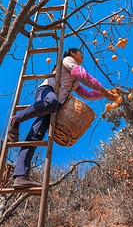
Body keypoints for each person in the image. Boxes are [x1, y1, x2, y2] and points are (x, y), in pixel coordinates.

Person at [7, 48, 117, 189]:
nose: (82, 55)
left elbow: (87, 94)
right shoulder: (68, 61)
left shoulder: (74, 81)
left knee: (35, 136)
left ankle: (21, 176)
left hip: (53, 107)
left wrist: (105, 94)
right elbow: (82, 74)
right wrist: (103, 90)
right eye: (79, 52)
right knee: (51, 103)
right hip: (47, 92)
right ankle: (16, 119)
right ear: (72, 54)